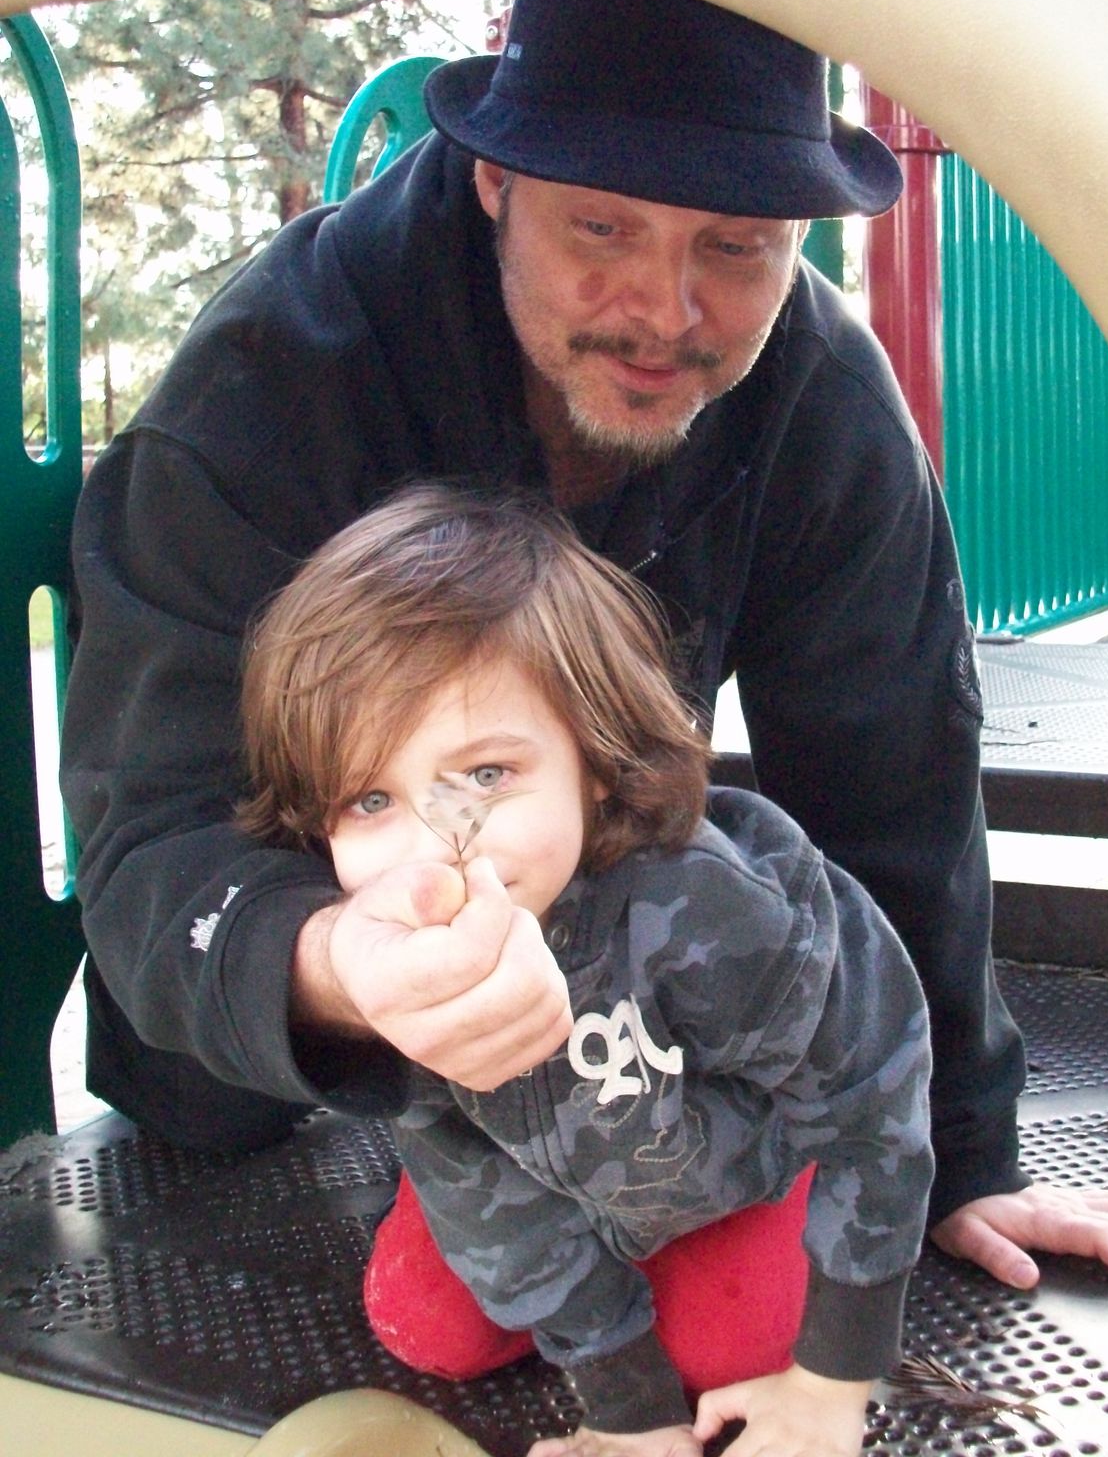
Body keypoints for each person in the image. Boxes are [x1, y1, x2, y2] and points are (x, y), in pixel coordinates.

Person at [61, 0, 1108, 1301]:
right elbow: (155, 839)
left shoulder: (820, 396)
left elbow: (895, 787)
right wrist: (343, 969)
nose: (665, 311)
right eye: (602, 229)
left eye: (735, 246)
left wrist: (959, 1155)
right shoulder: (265, 392)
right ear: (495, 180)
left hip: (615, 1042)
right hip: (266, 1072)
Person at [237, 481, 935, 1456]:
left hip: (728, 1168)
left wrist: (831, 1386)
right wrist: (627, 1406)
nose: (435, 848)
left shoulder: (710, 914)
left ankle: (722, 1265)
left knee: (741, 1346)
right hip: (560, 1175)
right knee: (426, 1327)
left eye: (486, 775)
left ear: (596, 762)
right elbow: (470, 1176)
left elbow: (871, 1102)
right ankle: (597, 1287)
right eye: (370, 800)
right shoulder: (395, 957)